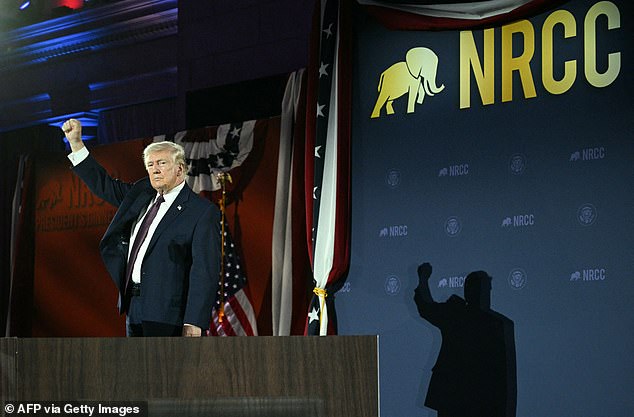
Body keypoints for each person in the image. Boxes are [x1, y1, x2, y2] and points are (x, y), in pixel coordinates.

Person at [62, 118, 221, 337]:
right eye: (150, 165)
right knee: (135, 371)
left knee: (164, 371)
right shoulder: (142, 194)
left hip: (169, 315)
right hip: (134, 308)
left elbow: (204, 271)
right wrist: (77, 144)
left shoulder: (201, 212)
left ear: (180, 168)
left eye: (162, 163)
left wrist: (194, 320)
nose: (155, 170)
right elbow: (105, 185)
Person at [414, 263, 516, 417]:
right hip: (479, 403)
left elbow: (425, 308)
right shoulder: (494, 324)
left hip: (455, 399)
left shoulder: (455, 315)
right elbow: (501, 377)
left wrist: (422, 279)